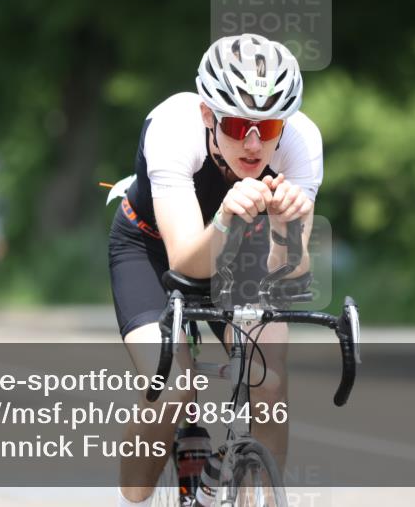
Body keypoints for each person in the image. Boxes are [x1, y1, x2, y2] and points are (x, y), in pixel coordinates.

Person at [107, 33, 322, 507]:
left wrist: (287, 230)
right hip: (153, 246)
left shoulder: (302, 142)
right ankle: (132, 494)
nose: (252, 143)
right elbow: (187, 260)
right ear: (208, 114)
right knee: (174, 387)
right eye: (238, 123)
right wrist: (225, 216)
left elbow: (290, 271)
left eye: (266, 130)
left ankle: (256, 496)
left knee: (269, 374)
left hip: (240, 253)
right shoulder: (172, 126)